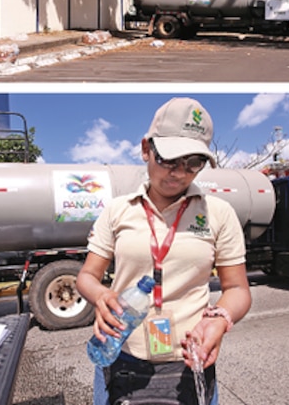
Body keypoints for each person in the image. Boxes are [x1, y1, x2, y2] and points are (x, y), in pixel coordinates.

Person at [76, 97, 252, 405]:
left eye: (193, 163)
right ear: (146, 149)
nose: (179, 173)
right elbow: (87, 276)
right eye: (169, 160)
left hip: (188, 361)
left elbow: (237, 289)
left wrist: (220, 319)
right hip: (121, 354)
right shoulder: (118, 210)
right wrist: (101, 296)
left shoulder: (219, 213)